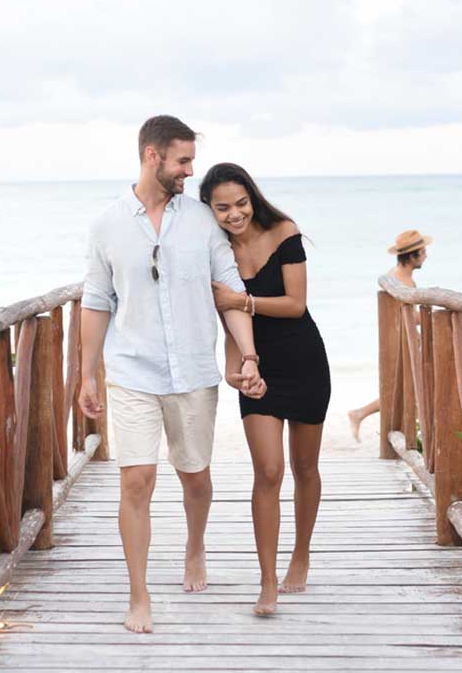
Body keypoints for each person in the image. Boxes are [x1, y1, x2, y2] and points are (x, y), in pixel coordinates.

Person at [77, 116, 265, 634]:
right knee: (136, 480)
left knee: (195, 475)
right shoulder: (107, 225)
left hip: (194, 372)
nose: (190, 170)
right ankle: (139, 595)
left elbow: (228, 291)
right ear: (152, 156)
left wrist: (247, 356)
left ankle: (195, 545)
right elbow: (96, 302)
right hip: (133, 372)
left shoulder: (202, 221)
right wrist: (86, 374)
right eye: (182, 160)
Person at [201, 162, 331, 615]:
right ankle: (267, 581)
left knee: (305, 468)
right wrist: (235, 369)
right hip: (258, 366)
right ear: (209, 211)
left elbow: (296, 305)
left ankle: (302, 553)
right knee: (269, 472)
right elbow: (227, 322)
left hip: (305, 360)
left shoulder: (283, 232)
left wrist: (243, 299)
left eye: (241, 203)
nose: (234, 214)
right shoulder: (216, 252)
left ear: (252, 197)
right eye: (222, 208)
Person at [347, 230, 431, 442]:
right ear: (412, 256)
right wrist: (431, 315)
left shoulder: (397, 276)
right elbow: (409, 316)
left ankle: (363, 415)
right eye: (423, 252)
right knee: (404, 392)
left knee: (405, 391)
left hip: (405, 341)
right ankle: (360, 414)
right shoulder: (402, 281)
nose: (426, 255)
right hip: (403, 343)